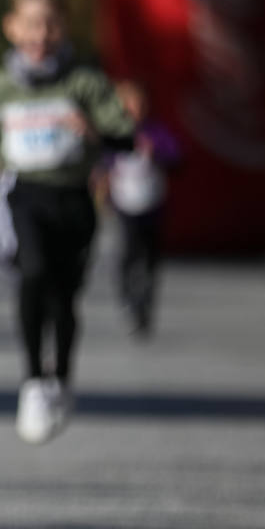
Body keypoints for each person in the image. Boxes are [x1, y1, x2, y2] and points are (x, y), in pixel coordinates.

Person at [0, 0, 134, 444]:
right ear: (11, 28)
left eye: (50, 25)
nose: (39, 36)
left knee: (64, 296)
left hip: (75, 199)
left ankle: (60, 375)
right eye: (30, 25)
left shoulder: (84, 82)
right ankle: (31, 382)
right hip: (24, 194)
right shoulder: (0, 86)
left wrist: (94, 133)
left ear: (64, 28)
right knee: (33, 273)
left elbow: (126, 139)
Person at [100, 80, 179, 338]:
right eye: (129, 104)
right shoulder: (113, 133)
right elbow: (101, 162)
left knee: (150, 259)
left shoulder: (155, 132)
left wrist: (157, 153)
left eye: (139, 104)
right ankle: (128, 298)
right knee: (127, 254)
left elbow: (178, 158)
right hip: (124, 204)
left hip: (153, 204)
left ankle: (145, 306)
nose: (134, 109)